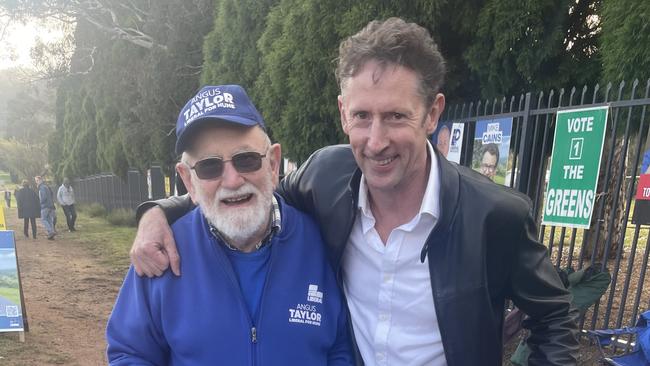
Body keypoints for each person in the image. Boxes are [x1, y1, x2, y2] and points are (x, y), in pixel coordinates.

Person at [130, 18, 578, 365]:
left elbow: (556, 317)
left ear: (432, 113)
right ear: (343, 113)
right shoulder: (326, 177)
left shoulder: (494, 215)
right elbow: (245, 191)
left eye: (397, 117)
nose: (376, 140)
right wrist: (158, 212)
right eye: (362, 116)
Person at [106, 85, 353, 365]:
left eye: (246, 160)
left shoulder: (323, 240)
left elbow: (341, 347)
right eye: (209, 167)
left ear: (273, 165)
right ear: (189, 181)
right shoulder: (160, 254)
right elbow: (130, 353)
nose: (232, 180)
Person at [35, 176, 56, 240]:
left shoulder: (42, 187)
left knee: (43, 219)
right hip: (50, 205)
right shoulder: (46, 186)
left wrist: (40, 203)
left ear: (40, 180)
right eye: (36, 180)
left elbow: (43, 197)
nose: (36, 182)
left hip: (45, 206)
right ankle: (52, 232)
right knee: (49, 219)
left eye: (37, 180)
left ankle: (50, 231)